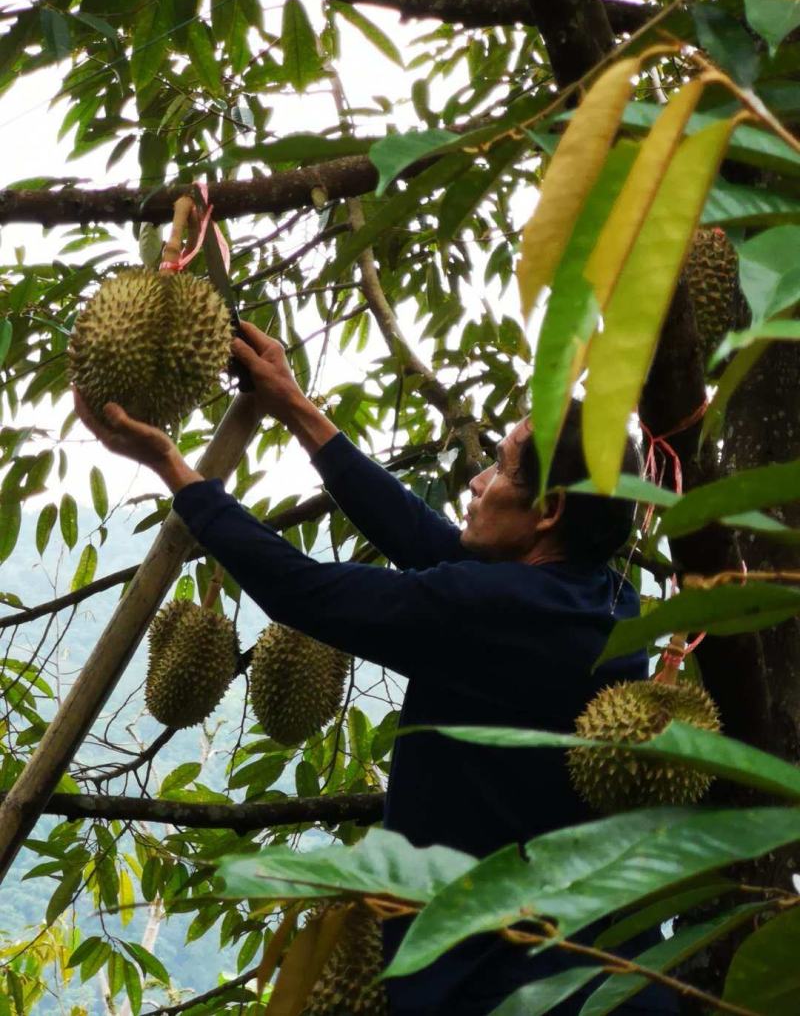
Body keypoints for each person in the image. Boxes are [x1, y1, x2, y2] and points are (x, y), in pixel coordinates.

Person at [74, 320, 674, 1016]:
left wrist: (173, 467)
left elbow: (306, 592)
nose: (477, 481)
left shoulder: (496, 611)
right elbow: (431, 545)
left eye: (502, 466)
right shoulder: (604, 602)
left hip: (514, 988)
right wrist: (293, 405)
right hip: (611, 971)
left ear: (548, 510)